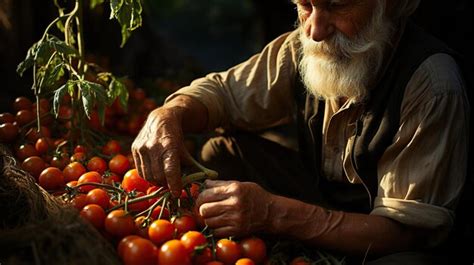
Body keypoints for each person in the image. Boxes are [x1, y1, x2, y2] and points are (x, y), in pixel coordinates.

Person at [131, 0, 470, 263]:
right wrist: (168, 115)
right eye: (305, 6)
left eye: (337, 5)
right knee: (222, 152)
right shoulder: (302, 46)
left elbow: (405, 233)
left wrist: (274, 213)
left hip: (388, 240)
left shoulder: (432, 83)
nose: (315, 30)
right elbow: (224, 93)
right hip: (326, 200)